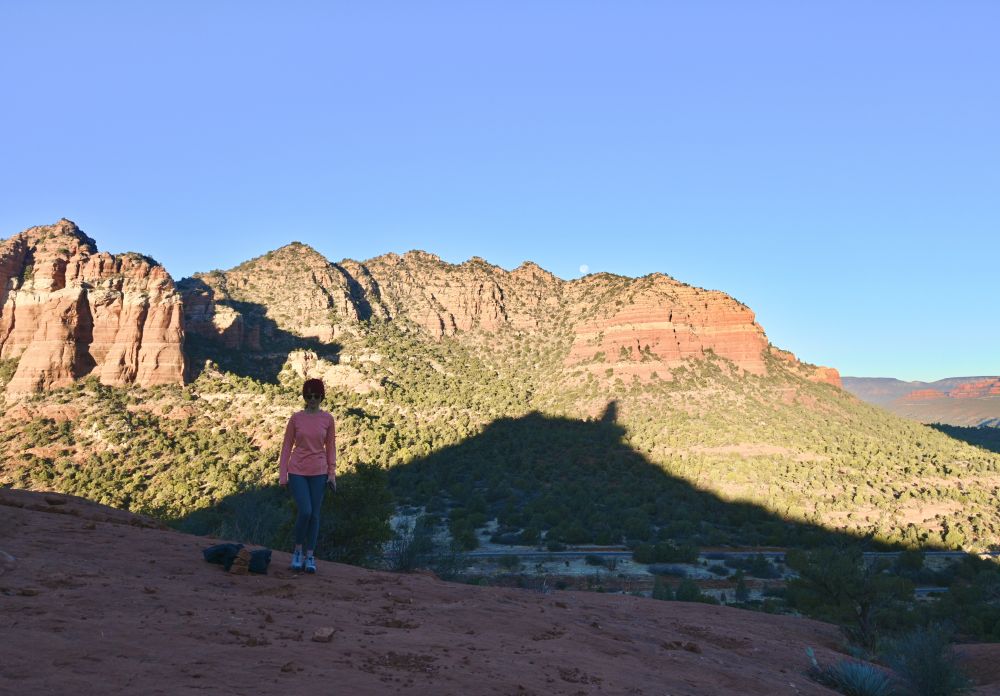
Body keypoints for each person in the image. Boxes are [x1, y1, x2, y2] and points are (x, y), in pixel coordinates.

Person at [279, 378, 337, 573]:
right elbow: (286, 446)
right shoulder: (296, 418)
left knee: (315, 515)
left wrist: (332, 473)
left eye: (316, 395)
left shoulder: (328, 419)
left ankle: (310, 556)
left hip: (319, 472)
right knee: (305, 511)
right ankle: (297, 551)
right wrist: (283, 475)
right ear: (304, 396)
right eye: (309, 395)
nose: (313, 399)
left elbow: (331, 447)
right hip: (297, 470)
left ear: (322, 397)